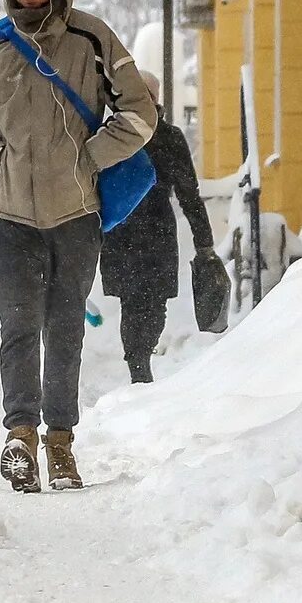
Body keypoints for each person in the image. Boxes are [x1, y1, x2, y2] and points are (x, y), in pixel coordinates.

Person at [0, 0, 157, 492]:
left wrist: (91, 158)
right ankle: (20, 438)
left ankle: (61, 445)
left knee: (64, 329)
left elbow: (138, 110)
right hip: (7, 216)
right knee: (19, 326)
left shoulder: (91, 39)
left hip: (75, 214)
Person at [99, 73, 215, 384]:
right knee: (136, 301)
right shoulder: (112, 136)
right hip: (130, 231)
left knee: (150, 301)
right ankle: (138, 362)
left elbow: (190, 193)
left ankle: (140, 356)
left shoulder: (161, 138)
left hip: (144, 232)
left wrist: (204, 242)